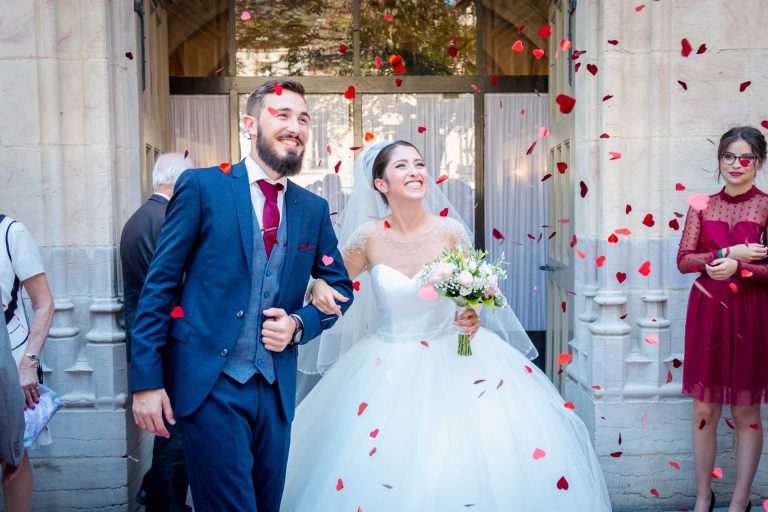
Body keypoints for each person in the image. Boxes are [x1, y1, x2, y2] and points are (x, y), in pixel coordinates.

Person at [280, 141, 611, 511]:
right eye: (402, 166)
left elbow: (471, 295)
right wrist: (320, 284)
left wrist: (472, 313)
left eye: (419, 163)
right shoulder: (367, 237)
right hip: (385, 364)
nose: (415, 172)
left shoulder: (451, 231)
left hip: (458, 356)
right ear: (380, 184)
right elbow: (332, 282)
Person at [129, 79, 354, 512]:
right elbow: (157, 289)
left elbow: (340, 288)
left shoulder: (312, 209)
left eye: (303, 119)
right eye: (282, 115)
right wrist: (147, 382)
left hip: (275, 390)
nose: (296, 126)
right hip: (210, 385)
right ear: (250, 124)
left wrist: (298, 324)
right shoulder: (202, 187)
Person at [677, 126, 768, 512]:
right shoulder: (700, 206)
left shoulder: (767, 206)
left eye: (745, 157)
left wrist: (742, 269)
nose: (736, 164)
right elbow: (684, 260)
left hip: (752, 314)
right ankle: (703, 496)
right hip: (708, 313)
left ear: (759, 163)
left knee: (746, 409)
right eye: (729, 156)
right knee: (704, 408)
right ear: (719, 161)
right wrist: (729, 253)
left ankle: (740, 501)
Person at [120, 152, 193, 512]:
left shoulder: (141, 217)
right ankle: (166, 505)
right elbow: (169, 287)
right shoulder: (165, 219)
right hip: (166, 344)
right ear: (179, 182)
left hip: (155, 341)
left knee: (172, 435)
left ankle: (154, 493)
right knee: (174, 436)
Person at [0, 214, 55, 512]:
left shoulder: (10, 232)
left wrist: (28, 365)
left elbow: (44, 303)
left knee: (15, 457)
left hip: (9, 361)